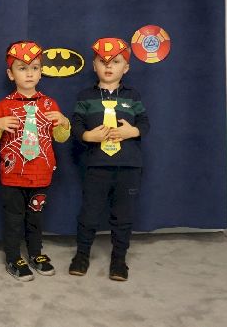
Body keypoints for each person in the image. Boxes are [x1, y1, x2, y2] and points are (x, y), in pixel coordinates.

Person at [0, 41, 71, 281]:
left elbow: (61, 138)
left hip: (41, 173)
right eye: (22, 68)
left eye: (35, 68)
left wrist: (64, 122)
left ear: (41, 72)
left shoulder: (49, 104)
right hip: (13, 175)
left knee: (36, 217)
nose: (29, 73)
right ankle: (13, 257)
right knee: (13, 219)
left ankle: (36, 253)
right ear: (10, 74)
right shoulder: (5, 105)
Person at [68, 38, 150, 282]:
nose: (109, 66)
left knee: (123, 216)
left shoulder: (133, 96)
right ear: (94, 66)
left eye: (116, 62)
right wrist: (87, 135)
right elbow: (75, 124)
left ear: (126, 67)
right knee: (89, 214)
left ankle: (119, 259)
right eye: (103, 61)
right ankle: (82, 255)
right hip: (97, 166)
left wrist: (132, 131)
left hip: (128, 166)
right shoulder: (85, 96)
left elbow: (145, 123)